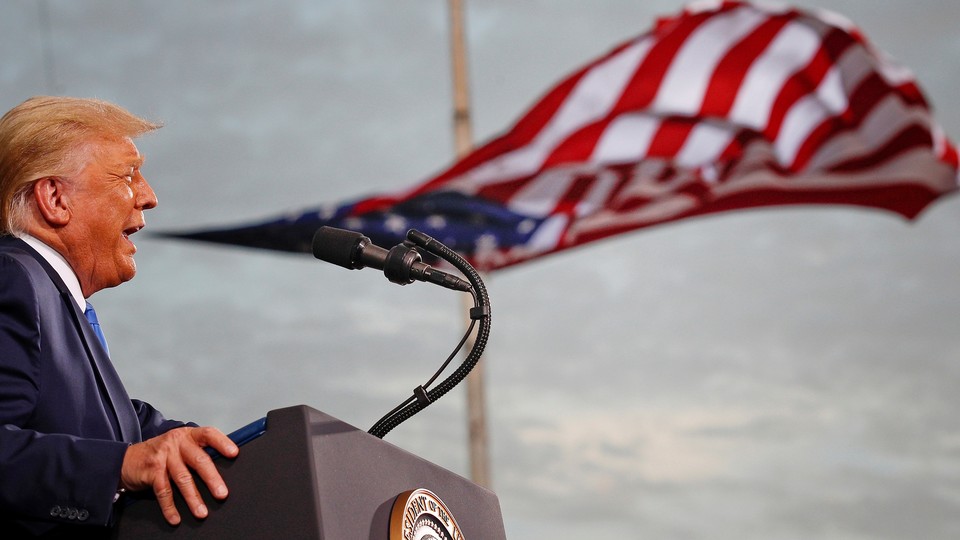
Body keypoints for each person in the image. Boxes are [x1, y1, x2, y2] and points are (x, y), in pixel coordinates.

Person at [0, 96, 239, 537]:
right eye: (128, 175)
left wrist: (231, 450)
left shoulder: (57, 303)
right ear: (54, 198)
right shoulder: (13, 277)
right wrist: (124, 465)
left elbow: (126, 428)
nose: (148, 197)